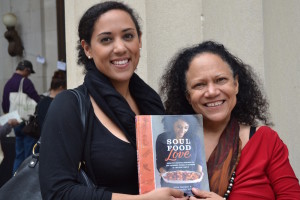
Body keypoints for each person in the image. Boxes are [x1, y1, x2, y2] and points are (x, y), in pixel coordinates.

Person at [39, 1, 188, 200]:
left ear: (139, 40)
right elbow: (58, 192)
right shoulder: (69, 105)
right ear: (87, 48)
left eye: (128, 36)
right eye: (106, 39)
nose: (120, 48)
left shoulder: (152, 104)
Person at [160, 40, 300, 199]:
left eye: (220, 80)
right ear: (188, 96)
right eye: (199, 85)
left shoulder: (265, 140)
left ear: (236, 84)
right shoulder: (168, 146)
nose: (212, 92)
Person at [2, 60, 40, 174]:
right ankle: (25, 182)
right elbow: (36, 100)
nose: (29, 75)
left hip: (14, 122)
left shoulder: (8, 82)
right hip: (26, 122)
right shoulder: (25, 82)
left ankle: (15, 180)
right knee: (29, 155)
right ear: (26, 70)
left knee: (19, 155)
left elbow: (4, 104)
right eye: (29, 72)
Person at [156, 115, 206, 195]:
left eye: (186, 127)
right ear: (172, 124)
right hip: (169, 184)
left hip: (192, 185)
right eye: (179, 127)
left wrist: (199, 173)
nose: (182, 130)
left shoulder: (195, 139)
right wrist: (165, 174)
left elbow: (199, 160)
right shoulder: (162, 138)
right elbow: (160, 162)